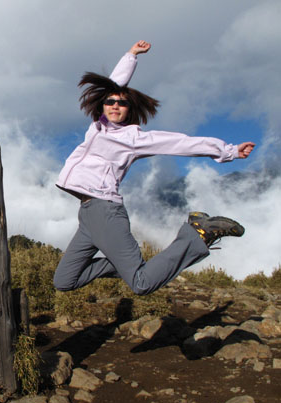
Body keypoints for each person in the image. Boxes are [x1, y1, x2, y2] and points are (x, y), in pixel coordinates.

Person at [54, 40, 256, 296]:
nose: (115, 105)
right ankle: (129, 265)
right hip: (87, 215)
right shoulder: (97, 128)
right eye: (110, 102)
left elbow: (180, 143)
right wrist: (130, 56)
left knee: (141, 283)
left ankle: (199, 235)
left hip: (105, 210)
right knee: (64, 280)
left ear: (130, 110)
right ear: (102, 106)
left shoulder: (133, 139)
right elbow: (114, 84)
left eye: (122, 103)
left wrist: (229, 151)